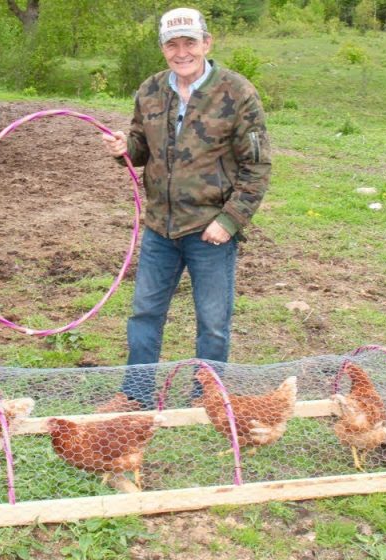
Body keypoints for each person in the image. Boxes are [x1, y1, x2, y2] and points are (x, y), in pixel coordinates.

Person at [98, 7, 271, 412]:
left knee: (212, 323)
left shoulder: (237, 93)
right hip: (160, 226)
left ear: (206, 43)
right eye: (172, 44)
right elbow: (142, 149)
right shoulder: (151, 90)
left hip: (210, 230)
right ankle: (135, 395)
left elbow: (257, 166)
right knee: (144, 314)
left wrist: (229, 221)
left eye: (189, 42)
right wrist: (125, 148)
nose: (181, 52)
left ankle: (205, 397)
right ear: (163, 48)